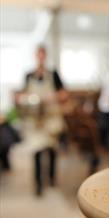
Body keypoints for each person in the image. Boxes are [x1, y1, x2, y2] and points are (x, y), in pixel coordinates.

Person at [20, 45, 67, 196]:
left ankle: (52, 179)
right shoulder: (28, 75)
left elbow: (64, 94)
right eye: (38, 55)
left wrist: (54, 97)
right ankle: (38, 184)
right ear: (35, 56)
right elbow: (23, 94)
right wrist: (24, 99)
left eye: (43, 55)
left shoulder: (53, 74)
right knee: (36, 151)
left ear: (45, 56)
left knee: (52, 150)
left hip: (51, 118)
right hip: (35, 120)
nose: (40, 58)